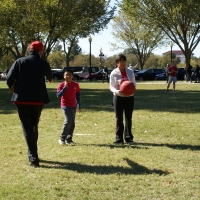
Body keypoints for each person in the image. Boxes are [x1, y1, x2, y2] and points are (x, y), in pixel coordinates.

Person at [6, 41, 52, 167]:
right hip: (37, 100)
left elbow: (9, 78)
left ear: (30, 50)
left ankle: (33, 157)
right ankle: (33, 155)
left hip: (21, 99)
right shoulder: (44, 63)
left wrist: (13, 87)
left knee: (27, 127)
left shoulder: (20, 61)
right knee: (33, 126)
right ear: (40, 52)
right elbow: (50, 77)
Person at [110, 54, 136, 145]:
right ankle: (119, 138)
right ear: (117, 63)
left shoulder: (130, 72)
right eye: (121, 61)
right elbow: (111, 87)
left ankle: (129, 138)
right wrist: (117, 91)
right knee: (119, 118)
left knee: (128, 117)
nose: (123, 63)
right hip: (118, 97)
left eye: (124, 61)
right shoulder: (114, 73)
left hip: (129, 97)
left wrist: (132, 90)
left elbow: (134, 84)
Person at [56, 69, 80, 146]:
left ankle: (69, 139)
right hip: (65, 106)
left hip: (73, 106)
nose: (68, 76)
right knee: (68, 120)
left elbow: (78, 95)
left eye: (69, 75)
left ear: (72, 76)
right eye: (66, 75)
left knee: (72, 123)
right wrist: (65, 88)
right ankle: (62, 138)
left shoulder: (76, 85)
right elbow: (58, 95)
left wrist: (79, 104)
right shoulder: (61, 85)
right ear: (63, 76)